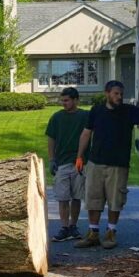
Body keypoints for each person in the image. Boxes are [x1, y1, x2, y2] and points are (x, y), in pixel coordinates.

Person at [74, 80, 139, 249]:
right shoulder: (96, 111)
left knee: (115, 200)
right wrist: (80, 156)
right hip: (95, 163)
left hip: (118, 164)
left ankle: (110, 233)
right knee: (93, 199)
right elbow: (86, 133)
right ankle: (93, 233)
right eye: (116, 93)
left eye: (121, 94)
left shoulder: (128, 111)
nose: (119, 97)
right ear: (107, 93)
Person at [46, 87, 90, 242]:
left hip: (80, 162)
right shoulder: (57, 117)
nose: (63, 103)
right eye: (62, 100)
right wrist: (52, 159)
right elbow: (51, 139)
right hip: (62, 163)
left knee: (77, 197)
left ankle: (73, 226)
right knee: (63, 198)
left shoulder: (85, 116)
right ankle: (64, 227)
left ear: (76, 100)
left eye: (67, 100)